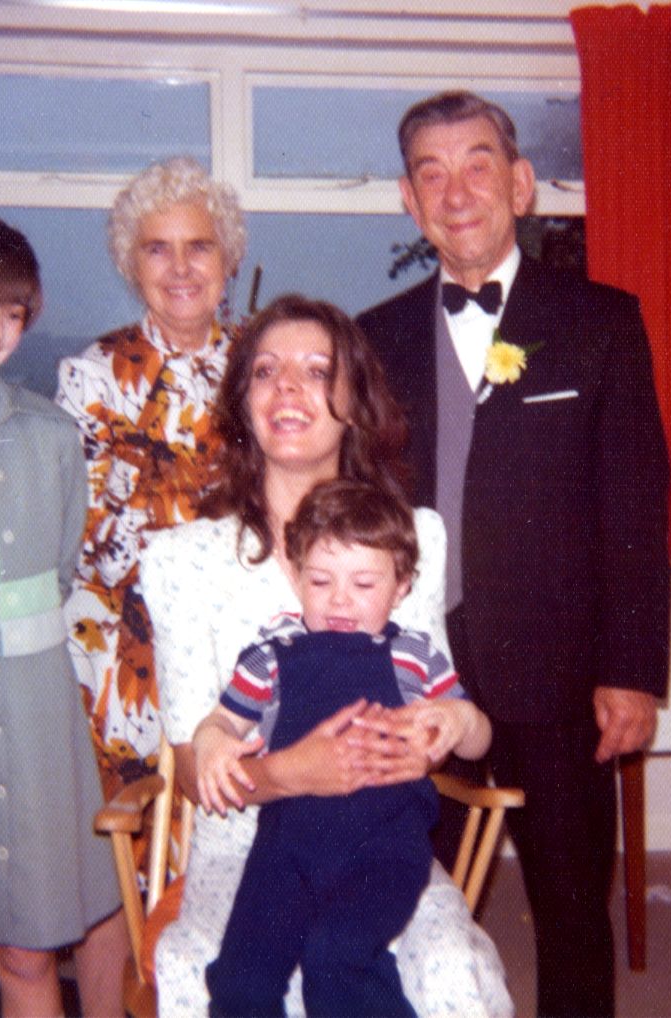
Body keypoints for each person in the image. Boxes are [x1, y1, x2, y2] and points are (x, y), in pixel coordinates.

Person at [356, 90, 671, 1018]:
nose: (457, 191)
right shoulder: (371, 339)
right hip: (418, 672)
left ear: (522, 184)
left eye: (479, 162)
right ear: (408, 202)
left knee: (571, 908)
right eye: (430, 171)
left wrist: (630, 671)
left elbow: (633, 503)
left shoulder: (601, 321)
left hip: (563, 670)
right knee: (411, 902)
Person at [140, 293, 513, 1018]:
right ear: (241, 402)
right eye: (265, 372)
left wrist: (433, 734)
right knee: (206, 969)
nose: (287, 389)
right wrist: (286, 772)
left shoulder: (413, 537)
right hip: (249, 842)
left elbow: (442, 707)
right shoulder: (183, 559)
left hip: (381, 833)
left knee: (452, 964)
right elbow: (193, 765)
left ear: (355, 401)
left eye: (317, 371)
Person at [198, 478, 492, 1017]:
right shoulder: (271, 655)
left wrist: (459, 717)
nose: (339, 599)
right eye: (320, 580)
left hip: (383, 848)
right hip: (287, 848)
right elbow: (220, 721)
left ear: (401, 586)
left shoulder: (412, 656)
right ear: (294, 574)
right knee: (240, 976)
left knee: (336, 956)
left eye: (363, 583)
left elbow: (478, 741)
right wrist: (212, 744)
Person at [55, 156, 246, 873]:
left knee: (233, 850)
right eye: (156, 247)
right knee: (129, 860)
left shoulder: (261, 366)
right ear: (131, 264)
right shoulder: (94, 374)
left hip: (236, 639)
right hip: (122, 650)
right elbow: (84, 538)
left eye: (198, 245)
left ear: (226, 258)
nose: (180, 267)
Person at [0, 205, 125, 1017]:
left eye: (13, 312)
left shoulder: (52, 437)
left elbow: (55, 571)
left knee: (26, 948)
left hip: (29, 723)